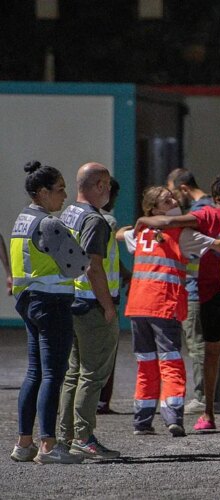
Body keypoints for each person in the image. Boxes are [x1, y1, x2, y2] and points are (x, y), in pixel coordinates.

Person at [136, 174, 220, 433]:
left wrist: (143, 219)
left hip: (210, 292)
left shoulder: (205, 216)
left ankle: (208, 413)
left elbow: (168, 221)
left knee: (211, 353)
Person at [120, 186, 220, 437]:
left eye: (173, 197)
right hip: (163, 305)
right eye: (167, 201)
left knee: (146, 363)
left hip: (137, 307)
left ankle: (142, 421)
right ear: (154, 209)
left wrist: (138, 223)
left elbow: (120, 235)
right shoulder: (182, 233)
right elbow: (219, 245)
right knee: (171, 363)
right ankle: (173, 416)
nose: (174, 200)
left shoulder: (141, 233)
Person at [10, 161, 89, 464]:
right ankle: (48, 445)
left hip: (29, 301)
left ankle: (24, 443)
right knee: (53, 374)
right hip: (52, 303)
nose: (65, 195)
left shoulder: (22, 220)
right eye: (59, 189)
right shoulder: (49, 224)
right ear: (42, 192)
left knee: (35, 373)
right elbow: (79, 263)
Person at [57, 163, 121, 460]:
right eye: (106, 184)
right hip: (92, 304)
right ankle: (83, 437)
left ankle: (66, 435)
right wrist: (108, 305)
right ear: (97, 185)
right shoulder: (95, 220)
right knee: (93, 375)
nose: (109, 189)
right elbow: (94, 266)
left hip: (71, 301)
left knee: (73, 373)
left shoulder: (69, 213)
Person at [167, 168, 220, 416]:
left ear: (182, 189)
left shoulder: (197, 214)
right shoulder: (217, 207)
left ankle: (204, 398)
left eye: (172, 193)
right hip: (217, 285)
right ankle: (213, 398)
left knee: (198, 344)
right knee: (213, 346)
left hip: (196, 287)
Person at [97, 177, 132, 415]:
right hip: (107, 291)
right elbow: (104, 256)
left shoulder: (74, 216)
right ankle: (102, 400)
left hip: (81, 291)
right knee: (108, 349)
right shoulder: (108, 221)